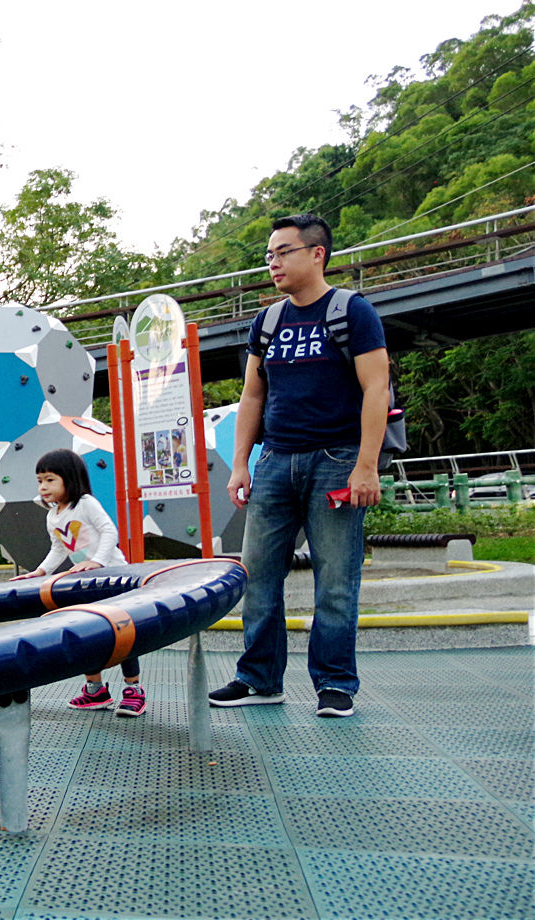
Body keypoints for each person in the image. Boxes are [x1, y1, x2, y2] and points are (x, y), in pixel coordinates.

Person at [209, 213, 389, 719]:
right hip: (275, 461)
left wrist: (366, 465)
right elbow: (252, 393)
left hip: (337, 460)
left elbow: (377, 388)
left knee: (335, 577)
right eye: (269, 255)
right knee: (258, 573)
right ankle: (260, 678)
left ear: (317, 253)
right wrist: (240, 462)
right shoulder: (267, 321)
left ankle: (335, 684)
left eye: (283, 251)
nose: (273, 262)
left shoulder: (351, 311)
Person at [14, 448, 142, 716]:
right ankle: (96, 689)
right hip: (86, 583)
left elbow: (109, 531)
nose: (43, 486)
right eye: (40, 481)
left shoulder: (85, 503)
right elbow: (59, 549)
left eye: (50, 479)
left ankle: (133, 690)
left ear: (69, 478)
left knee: (122, 633)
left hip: (113, 577)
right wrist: (40, 571)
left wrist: (97, 561)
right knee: (88, 633)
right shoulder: (53, 516)